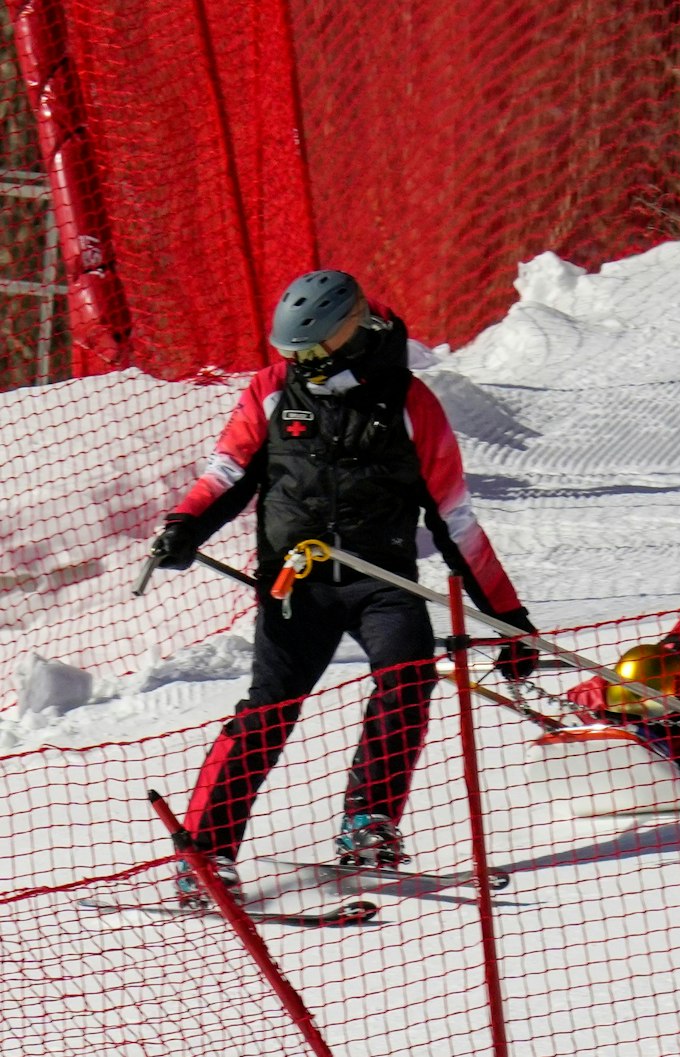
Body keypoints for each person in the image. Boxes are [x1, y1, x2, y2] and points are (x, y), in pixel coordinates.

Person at [149, 269, 538, 905]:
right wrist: (185, 524)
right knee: (268, 709)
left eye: (310, 351)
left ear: (350, 332)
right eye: (290, 354)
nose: (300, 364)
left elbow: (456, 520)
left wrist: (507, 617)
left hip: (380, 581)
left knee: (408, 678)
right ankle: (206, 853)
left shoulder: (412, 404)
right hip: (295, 582)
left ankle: (369, 824)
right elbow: (228, 472)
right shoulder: (274, 391)